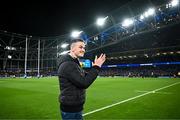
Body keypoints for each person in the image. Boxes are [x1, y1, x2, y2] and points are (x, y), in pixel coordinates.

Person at [57, 38, 106, 120]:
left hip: (75, 107)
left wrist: (94, 67)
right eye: (80, 47)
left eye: (84, 48)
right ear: (72, 49)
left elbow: (84, 76)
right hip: (70, 110)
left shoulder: (74, 63)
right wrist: (96, 67)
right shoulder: (68, 65)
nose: (83, 50)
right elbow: (84, 83)